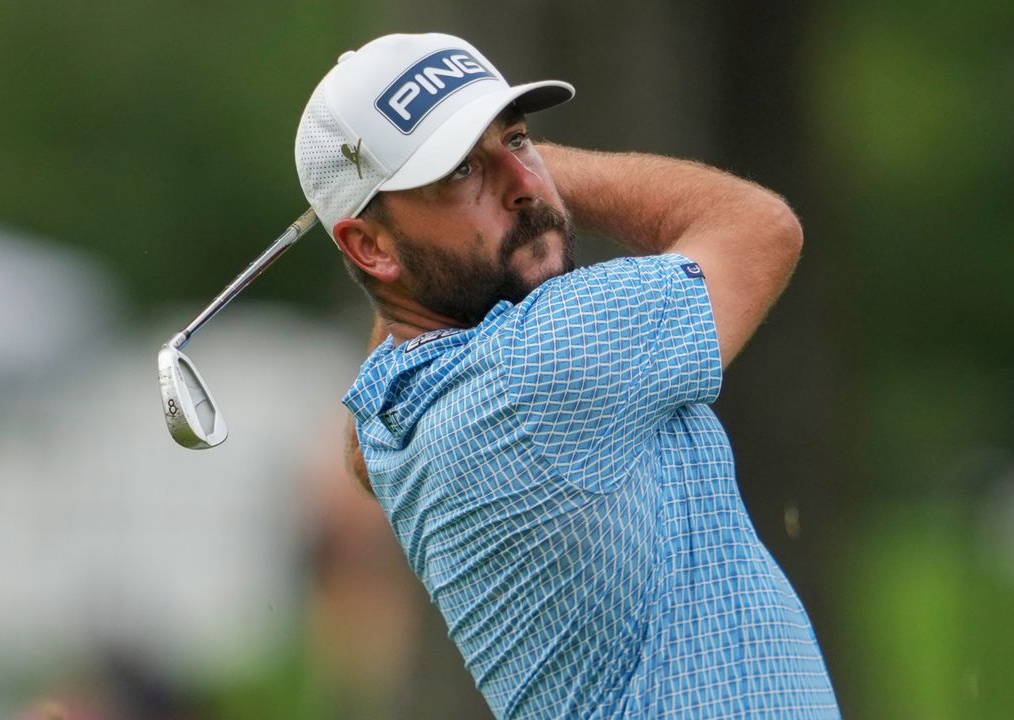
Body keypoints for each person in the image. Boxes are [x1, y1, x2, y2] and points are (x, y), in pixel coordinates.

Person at [294, 32, 842, 719]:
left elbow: (366, 435)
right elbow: (759, 227)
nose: (523, 185)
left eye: (518, 140)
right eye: (462, 172)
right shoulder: (541, 364)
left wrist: (450, 198)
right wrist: (550, 167)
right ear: (368, 246)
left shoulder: (391, 417)